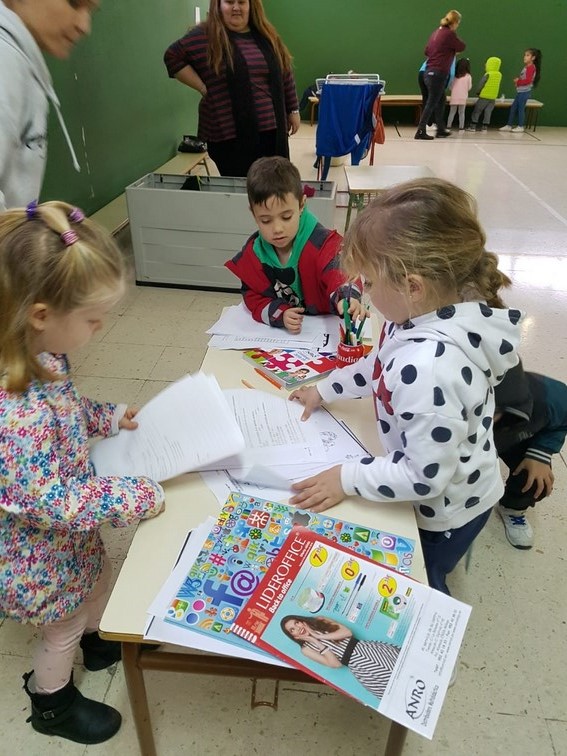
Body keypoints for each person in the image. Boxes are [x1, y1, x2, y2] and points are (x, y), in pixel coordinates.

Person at [288, 178, 524, 595]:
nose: (364, 292)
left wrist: (345, 477)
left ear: (413, 286)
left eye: (369, 282)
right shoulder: (419, 314)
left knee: (420, 582)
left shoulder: (430, 369)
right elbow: (379, 364)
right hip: (438, 472)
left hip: (445, 514)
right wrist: (325, 390)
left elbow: (423, 477)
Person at [0, 201, 165, 744]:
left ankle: (99, 641)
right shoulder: (14, 415)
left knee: (97, 577)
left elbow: (66, 409)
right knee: (62, 626)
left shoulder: (44, 355)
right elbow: (52, 503)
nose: (100, 328)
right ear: (41, 314)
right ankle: (51, 703)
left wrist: (107, 416)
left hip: (68, 540)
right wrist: (132, 496)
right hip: (34, 555)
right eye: (93, 319)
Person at [225, 156, 366, 333]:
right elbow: (253, 296)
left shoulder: (321, 242)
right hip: (284, 336)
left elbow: (341, 270)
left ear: (301, 205)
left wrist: (347, 297)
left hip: (325, 328)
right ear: (253, 213)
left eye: (286, 217)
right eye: (266, 220)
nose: (277, 229)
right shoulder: (254, 254)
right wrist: (279, 314)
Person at [164, 0, 300, 177]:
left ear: (251, 5)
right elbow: (172, 57)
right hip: (230, 136)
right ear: (218, 5)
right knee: (242, 185)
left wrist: (293, 109)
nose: (236, 7)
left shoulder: (265, 34)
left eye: (242, 2)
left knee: (274, 183)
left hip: (272, 131)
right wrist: (203, 87)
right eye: (229, 2)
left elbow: (284, 71)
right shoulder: (205, 36)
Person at [0, 0, 96, 210]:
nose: (84, 26)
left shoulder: (19, 59)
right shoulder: (4, 61)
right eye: (74, 3)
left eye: (90, 11)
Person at [493, 361, 567, 550]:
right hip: (468, 439)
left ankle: (513, 508)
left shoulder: (551, 397)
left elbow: (562, 420)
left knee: (536, 480)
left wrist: (541, 452)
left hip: (516, 435)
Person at [281, 615, 401, 700]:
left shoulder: (320, 620)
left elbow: (347, 632)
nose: (298, 628)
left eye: (296, 623)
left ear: (302, 621)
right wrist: (315, 641)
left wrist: (319, 636)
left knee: (401, 667)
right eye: (292, 630)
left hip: (368, 649)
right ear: (294, 637)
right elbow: (335, 664)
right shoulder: (306, 649)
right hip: (360, 667)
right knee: (393, 690)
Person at [415, 10, 466, 140]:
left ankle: (441, 129)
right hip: (438, 73)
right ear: (455, 22)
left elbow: (427, 51)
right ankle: (420, 130)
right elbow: (461, 46)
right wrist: (450, 50)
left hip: (428, 71)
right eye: (458, 23)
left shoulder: (436, 33)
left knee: (441, 100)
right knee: (432, 102)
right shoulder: (449, 34)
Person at [500, 48, 542, 133]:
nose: (525, 57)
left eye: (527, 55)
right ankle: (509, 125)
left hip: (524, 92)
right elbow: (524, 79)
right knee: (513, 108)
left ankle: (520, 126)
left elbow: (528, 80)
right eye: (525, 55)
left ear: (533, 58)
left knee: (520, 109)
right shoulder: (526, 67)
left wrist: (518, 81)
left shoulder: (531, 67)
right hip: (520, 92)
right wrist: (518, 82)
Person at [467, 56, 502, 132]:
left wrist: (478, 92)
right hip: (493, 97)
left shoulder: (488, 74)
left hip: (484, 96)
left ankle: (473, 126)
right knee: (488, 112)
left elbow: (481, 84)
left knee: (477, 110)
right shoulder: (499, 75)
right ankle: (485, 127)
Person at [447, 57, 472, 130]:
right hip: (463, 97)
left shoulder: (454, 76)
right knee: (461, 113)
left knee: (452, 112)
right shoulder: (468, 76)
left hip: (454, 97)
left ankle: (448, 126)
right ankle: (461, 127)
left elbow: (450, 86)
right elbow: (469, 87)